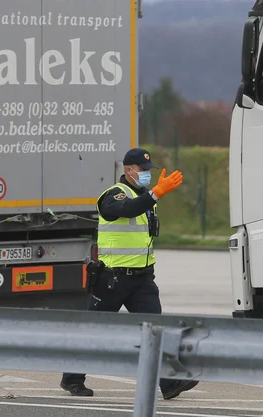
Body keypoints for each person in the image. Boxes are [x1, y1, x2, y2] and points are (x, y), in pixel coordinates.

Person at [60, 147, 199, 400]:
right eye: (143, 170)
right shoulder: (113, 195)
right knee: (94, 331)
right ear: (128, 170)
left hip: (142, 279)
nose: (147, 174)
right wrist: (156, 193)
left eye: (149, 170)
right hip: (113, 279)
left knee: (155, 329)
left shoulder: (145, 196)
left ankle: (168, 383)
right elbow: (127, 210)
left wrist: (153, 194)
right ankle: (72, 379)